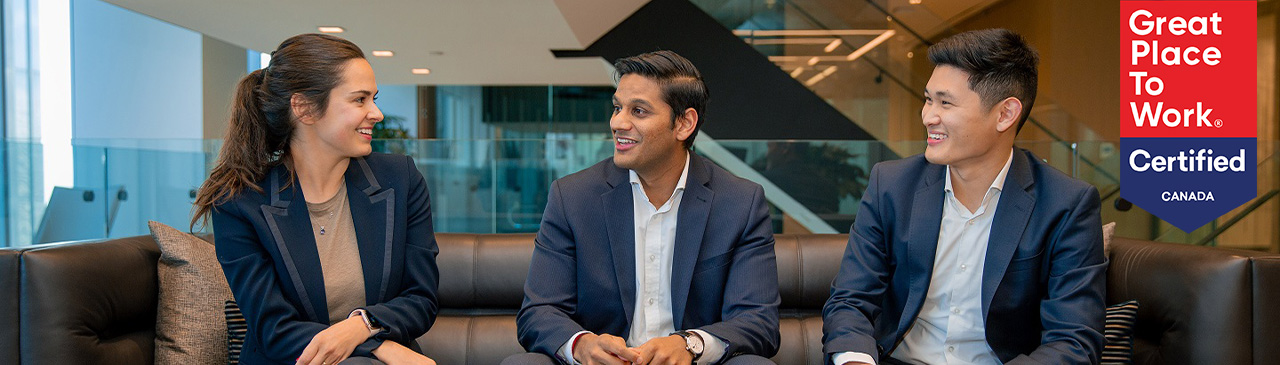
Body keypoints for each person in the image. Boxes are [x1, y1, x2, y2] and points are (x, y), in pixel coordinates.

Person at [822, 29, 1106, 365]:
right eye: (928, 99)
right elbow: (849, 300)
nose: (928, 116)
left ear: (1005, 114)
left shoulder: (1066, 204)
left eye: (945, 102)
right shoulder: (892, 185)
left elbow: (1073, 341)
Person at [505, 50, 780, 365]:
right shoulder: (572, 197)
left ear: (684, 124)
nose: (618, 122)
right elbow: (538, 312)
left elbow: (757, 321)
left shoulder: (740, 203)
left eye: (638, 111)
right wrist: (582, 346)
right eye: (618, 107)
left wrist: (690, 345)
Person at [191, 33, 440, 365]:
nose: (376, 113)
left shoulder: (400, 180)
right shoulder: (239, 203)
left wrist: (359, 328)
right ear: (304, 108)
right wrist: (374, 343)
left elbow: (421, 299)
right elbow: (274, 330)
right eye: (360, 100)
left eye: (373, 98)